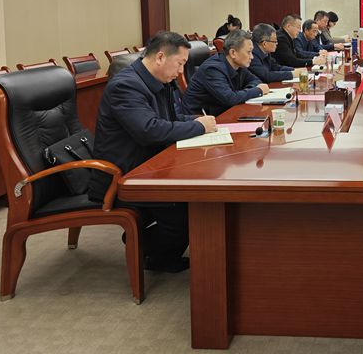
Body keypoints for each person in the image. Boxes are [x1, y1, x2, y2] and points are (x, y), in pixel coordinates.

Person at [89, 31, 217, 273]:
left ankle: (162, 249)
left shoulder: (159, 81)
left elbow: (170, 119)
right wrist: (199, 127)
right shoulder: (126, 86)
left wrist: (198, 121)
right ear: (160, 57)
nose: (181, 71)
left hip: (151, 165)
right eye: (180, 63)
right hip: (126, 176)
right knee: (189, 209)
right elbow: (148, 130)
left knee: (200, 197)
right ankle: (148, 249)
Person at [181, 30, 269, 117]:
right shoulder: (212, 69)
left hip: (223, 112)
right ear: (233, 53)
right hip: (200, 118)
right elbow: (230, 99)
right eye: (249, 52)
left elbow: (256, 81)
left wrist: (244, 92)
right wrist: (258, 90)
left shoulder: (239, 65)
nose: (252, 57)